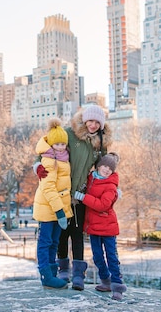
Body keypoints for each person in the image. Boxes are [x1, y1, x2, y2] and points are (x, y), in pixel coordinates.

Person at [34, 104, 112, 290]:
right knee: (60, 234)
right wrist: (38, 165)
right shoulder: (69, 133)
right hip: (60, 193)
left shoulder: (100, 142)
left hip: (79, 194)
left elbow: (105, 167)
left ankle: (78, 274)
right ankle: (62, 270)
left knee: (77, 234)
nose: (93, 125)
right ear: (84, 120)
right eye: (90, 121)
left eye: (96, 122)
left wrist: (112, 184)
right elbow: (48, 146)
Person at [73, 154, 127, 300]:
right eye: (104, 166)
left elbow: (103, 205)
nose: (107, 170)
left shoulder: (110, 185)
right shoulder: (91, 178)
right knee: (97, 257)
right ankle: (106, 281)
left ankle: (117, 286)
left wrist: (83, 198)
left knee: (111, 257)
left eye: (110, 168)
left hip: (107, 227)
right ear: (98, 166)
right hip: (93, 227)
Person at [32, 118, 73, 289]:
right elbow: (48, 189)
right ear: (51, 144)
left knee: (54, 242)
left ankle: (52, 273)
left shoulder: (63, 158)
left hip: (58, 209)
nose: (61, 147)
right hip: (49, 209)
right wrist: (60, 212)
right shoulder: (49, 160)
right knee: (45, 242)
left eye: (63, 144)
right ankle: (46, 275)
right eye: (57, 144)